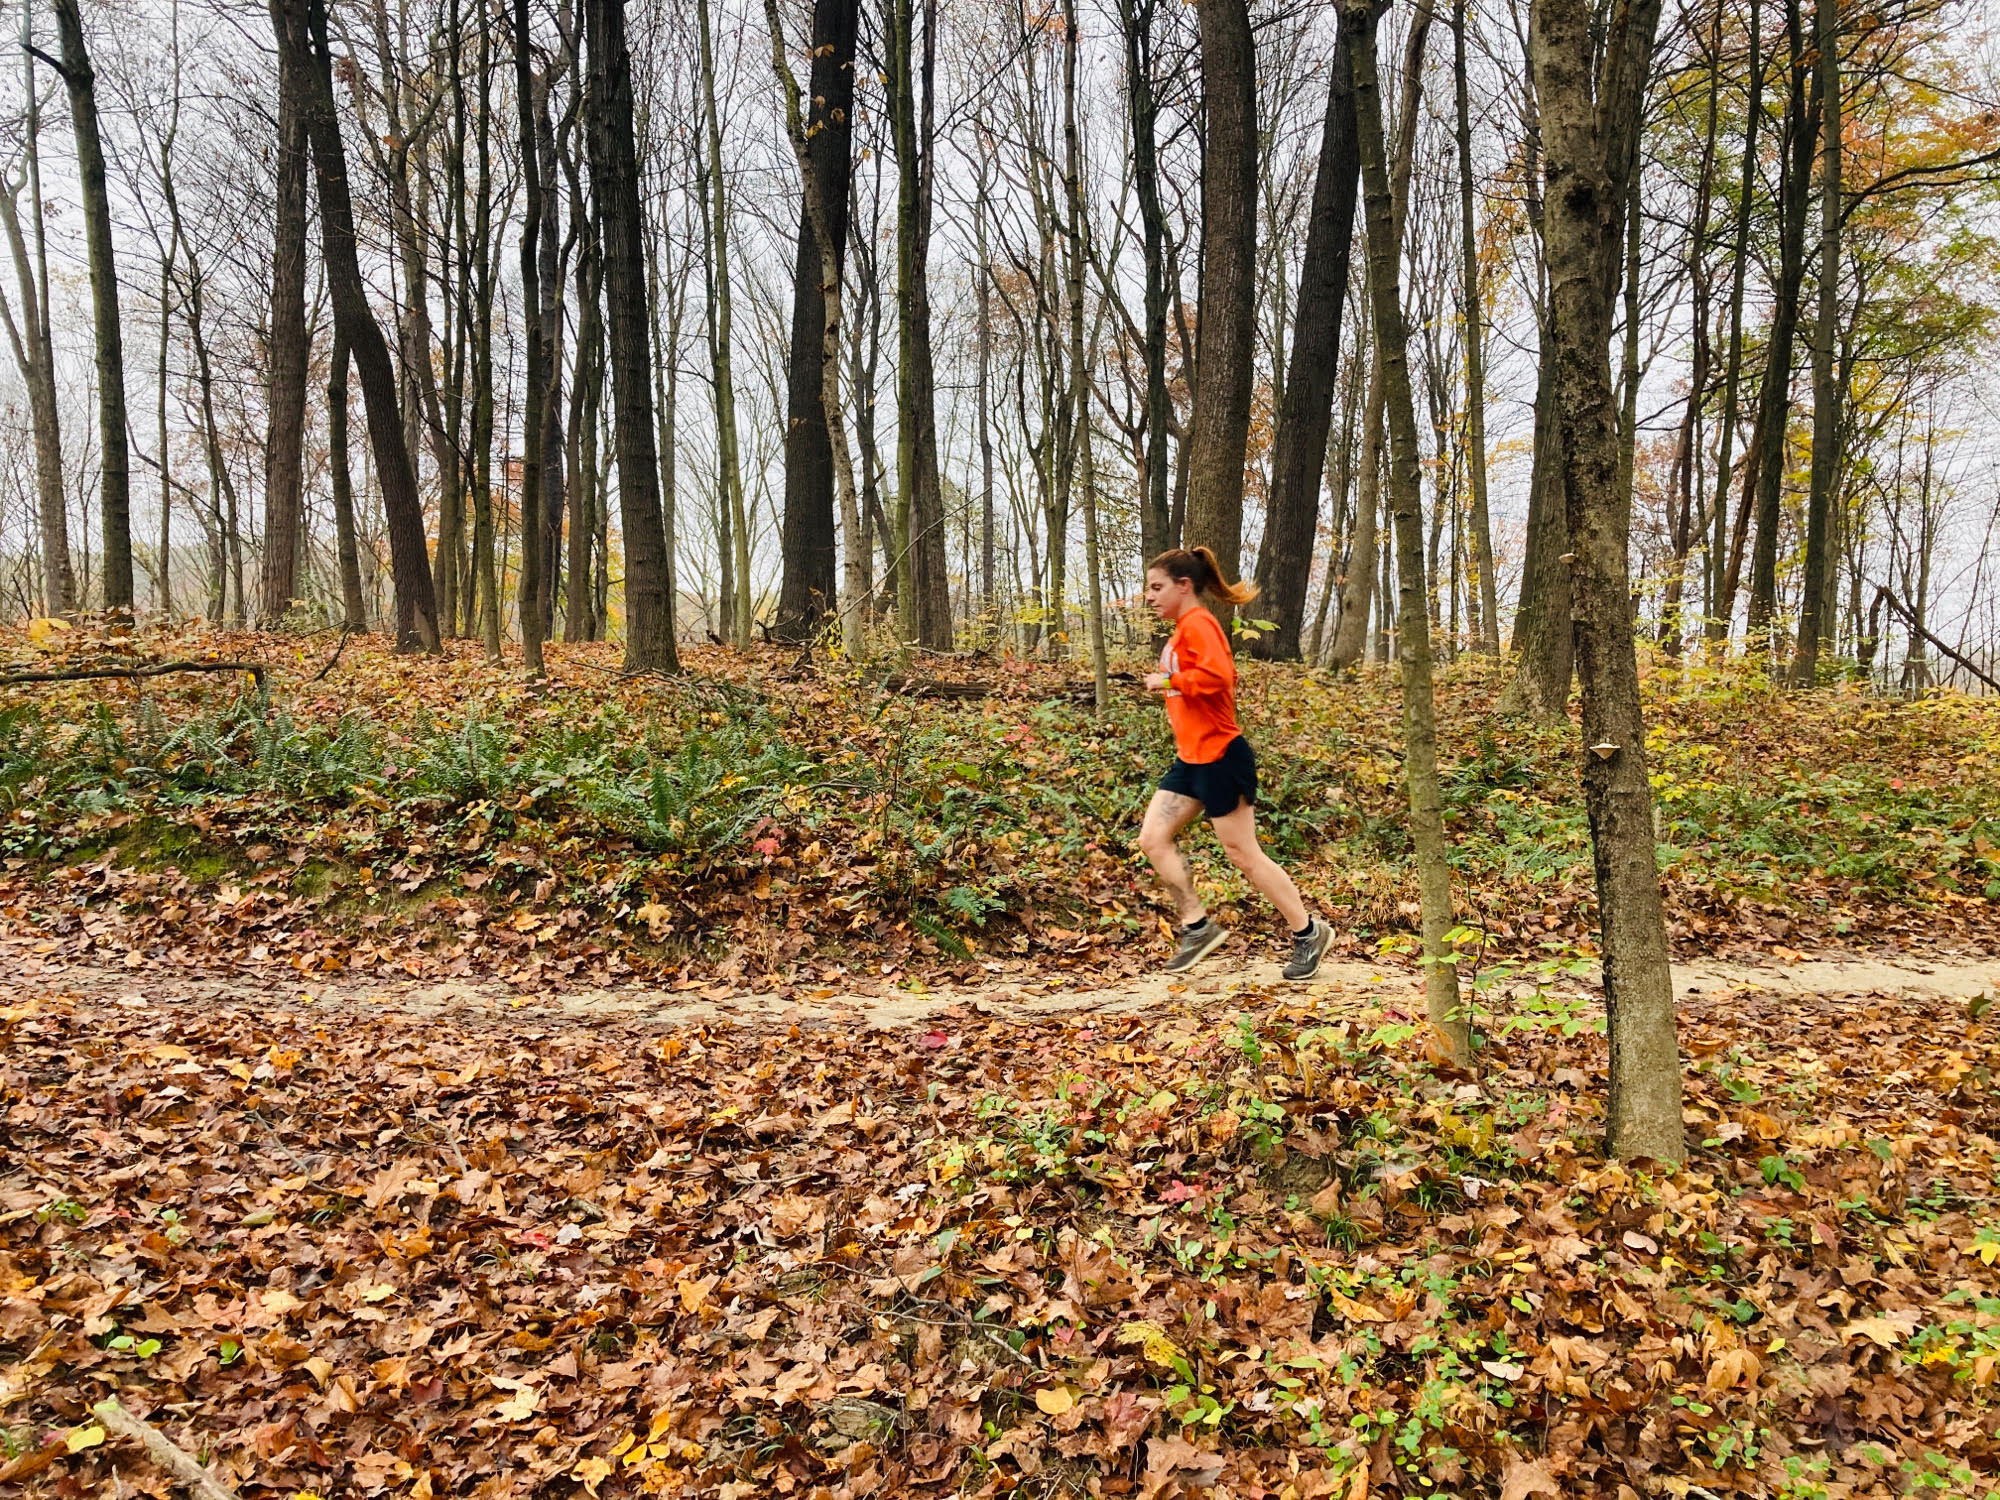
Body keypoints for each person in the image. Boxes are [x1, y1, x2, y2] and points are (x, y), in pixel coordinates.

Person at [1139, 546, 1333, 980]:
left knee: (1243, 854)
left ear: (1183, 586)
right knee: (1152, 838)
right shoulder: (1180, 630)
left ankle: (1308, 933)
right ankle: (1197, 928)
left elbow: (1219, 677)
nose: (1149, 597)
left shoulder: (1198, 624)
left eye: (1157, 587)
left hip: (1221, 756)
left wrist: (1167, 680)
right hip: (1192, 758)